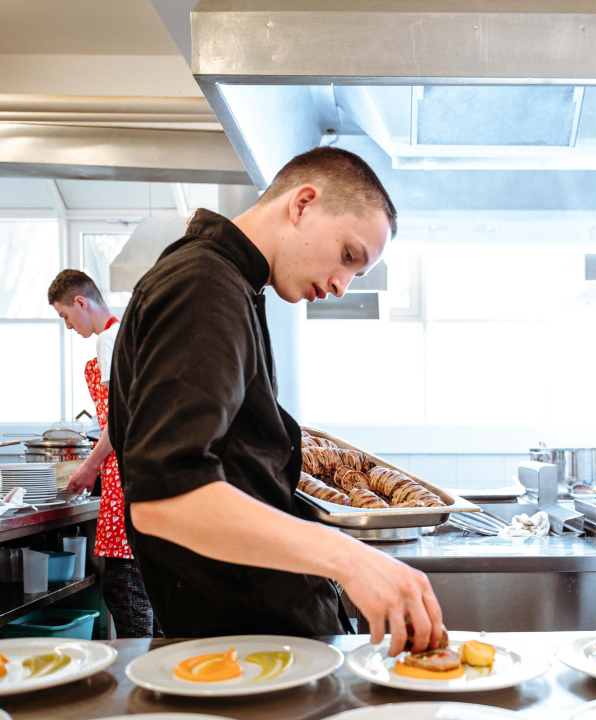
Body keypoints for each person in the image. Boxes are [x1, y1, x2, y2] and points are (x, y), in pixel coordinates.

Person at [109, 147, 443, 651]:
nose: (340, 285)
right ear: (303, 204)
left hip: (260, 641)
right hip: (245, 648)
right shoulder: (203, 285)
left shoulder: (232, 285)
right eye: (348, 256)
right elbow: (165, 499)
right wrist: (350, 558)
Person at [48, 270, 155, 637]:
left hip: (123, 475)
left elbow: (120, 418)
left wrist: (89, 467)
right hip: (140, 474)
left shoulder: (109, 339)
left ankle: (135, 680)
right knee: (144, 590)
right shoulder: (131, 332)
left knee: (124, 591)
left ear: (81, 302)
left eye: (65, 316)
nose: (68, 326)